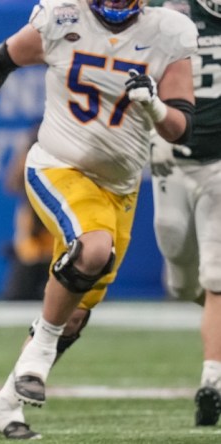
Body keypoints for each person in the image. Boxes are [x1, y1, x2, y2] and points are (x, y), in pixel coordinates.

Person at [0, 0, 197, 438]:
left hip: (119, 189)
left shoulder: (169, 30)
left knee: (74, 314)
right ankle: (36, 358)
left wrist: (153, 106)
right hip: (57, 164)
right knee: (94, 248)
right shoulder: (62, 16)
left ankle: (5, 405)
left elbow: (180, 126)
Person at [147, 0, 221, 427]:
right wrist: (151, 132)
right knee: (180, 277)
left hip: (218, 166)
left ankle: (211, 380)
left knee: (216, 274)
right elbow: (134, 73)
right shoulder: (167, 11)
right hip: (173, 160)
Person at [0, 125, 52, 301]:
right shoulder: (29, 163)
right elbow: (12, 184)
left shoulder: (62, 164)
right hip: (30, 252)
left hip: (58, 251)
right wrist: (26, 151)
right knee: (16, 297)